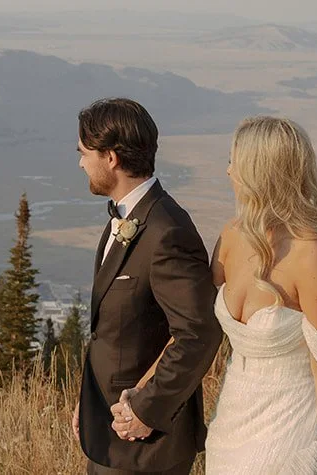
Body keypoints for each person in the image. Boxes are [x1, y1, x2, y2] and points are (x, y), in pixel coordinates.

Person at [72, 97, 223, 475]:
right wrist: (88, 401)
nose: (80, 163)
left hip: (147, 444)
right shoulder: (126, 217)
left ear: (111, 158)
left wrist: (147, 408)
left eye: (84, 152)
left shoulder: (166, 230)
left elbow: (199, 332)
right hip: (110, 431)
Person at [202, 115, 317, 474]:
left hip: (287, 432)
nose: (228, 172)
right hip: (228, 426)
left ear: (260, 172)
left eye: (234, 162)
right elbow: (195, 321)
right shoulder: (230, 235)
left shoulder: (311, 252)